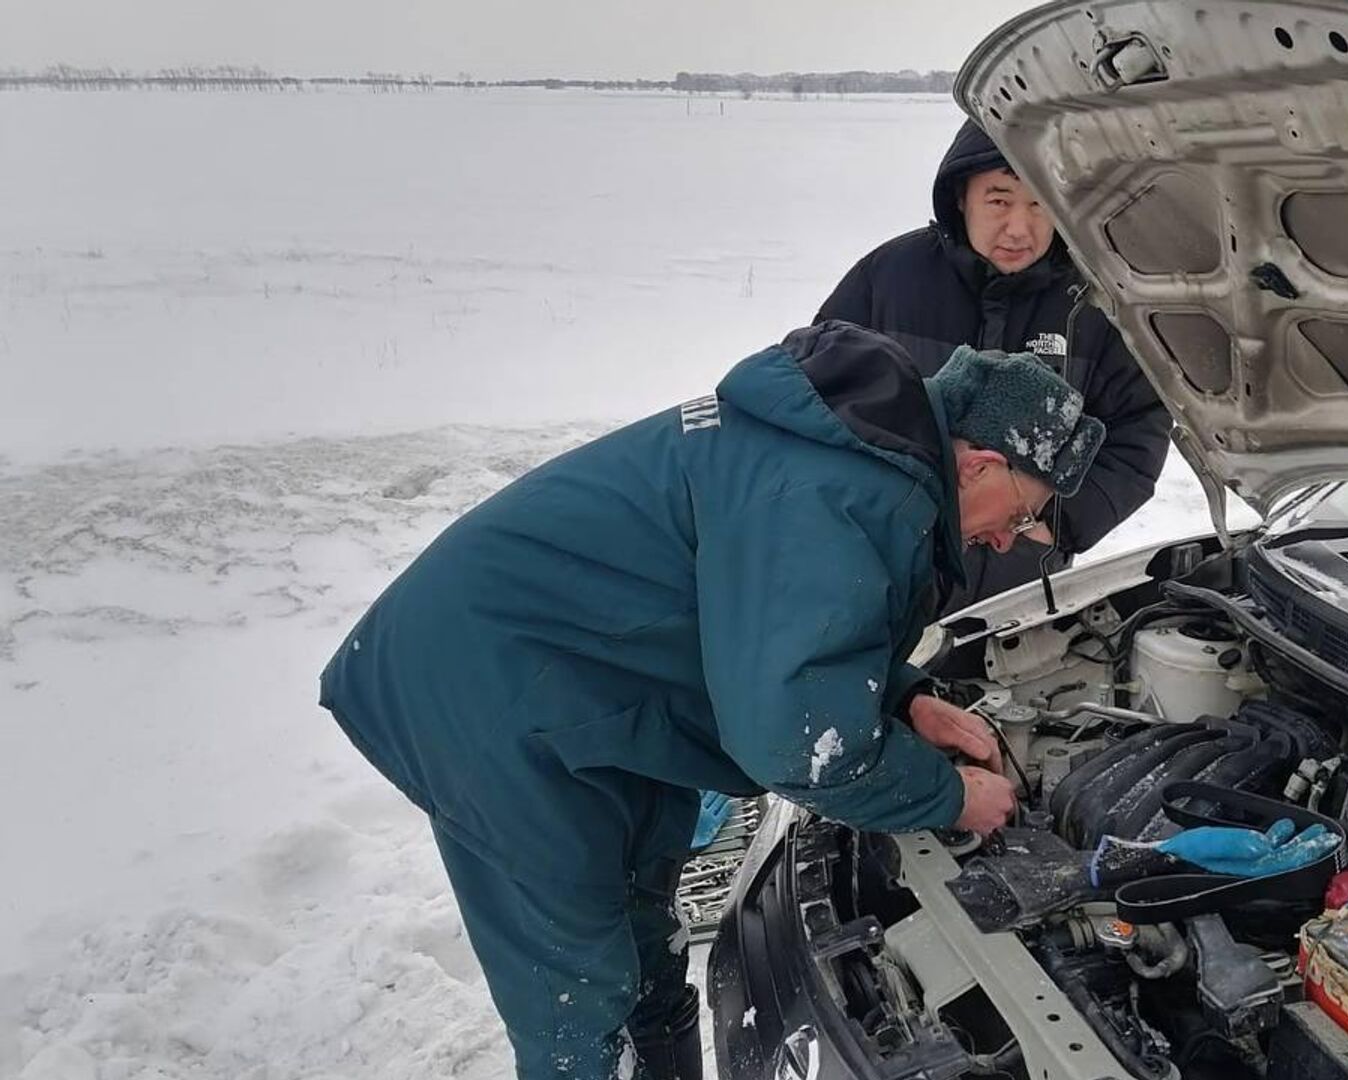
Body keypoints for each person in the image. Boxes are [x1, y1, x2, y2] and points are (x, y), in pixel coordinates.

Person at [318, 322, 1105, 1080]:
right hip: (484, 687)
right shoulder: (843, 491)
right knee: (578, 993)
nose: (1011, 540)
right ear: (978, 465)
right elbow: (798, 744)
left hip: (589, 679)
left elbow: (777, 622)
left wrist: (905, 701)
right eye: (1027, 512)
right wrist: (946, 796)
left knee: (645, 942)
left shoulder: (854, 461)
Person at [817, 118, 1173, 611]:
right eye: (999, 200)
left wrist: (1056, 522)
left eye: (1039, 204)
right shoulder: (891, 278)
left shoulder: (1096, 304)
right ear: (961, 197)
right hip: (884, 572)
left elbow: (1140, 429)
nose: (1019, 228)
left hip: (1020, 589)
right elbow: (823, 399)